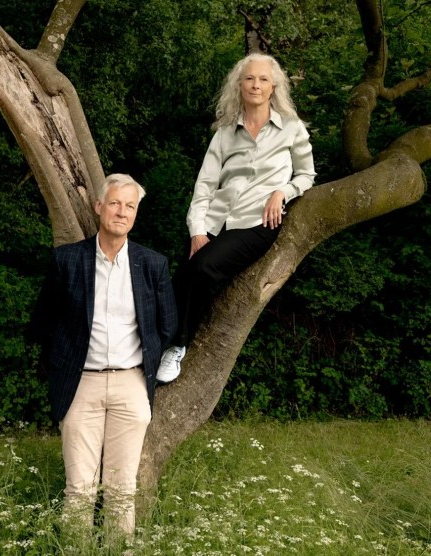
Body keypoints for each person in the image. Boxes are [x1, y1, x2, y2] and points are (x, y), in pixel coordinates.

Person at [156, 53, 316, 384]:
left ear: (274, 87)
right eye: (249, 79)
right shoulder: (226, 133)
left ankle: (176, 346)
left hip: (258, 223)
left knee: (203, 268)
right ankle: (153, 341)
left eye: (262, 79)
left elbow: (307, 175)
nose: (255, 85)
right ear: (239, 85)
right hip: (217, 221)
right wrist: (198, 231)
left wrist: (282, 192)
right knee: (180, 274)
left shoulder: (291, 128)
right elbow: (204, 186)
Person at [34, 173, 177, 537]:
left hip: (131, 384)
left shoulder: (152, 265)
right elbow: (44, 322)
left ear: (135, 214)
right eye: (115, 203)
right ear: (99, 207)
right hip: (81, 383)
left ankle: (120, 548)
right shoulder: (68, 261)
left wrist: (147, 372)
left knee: (121, 488)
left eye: (130, 206)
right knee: (79, 488)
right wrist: (60, 367)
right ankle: (77, 547)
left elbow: (166, 326)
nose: (122, 211)